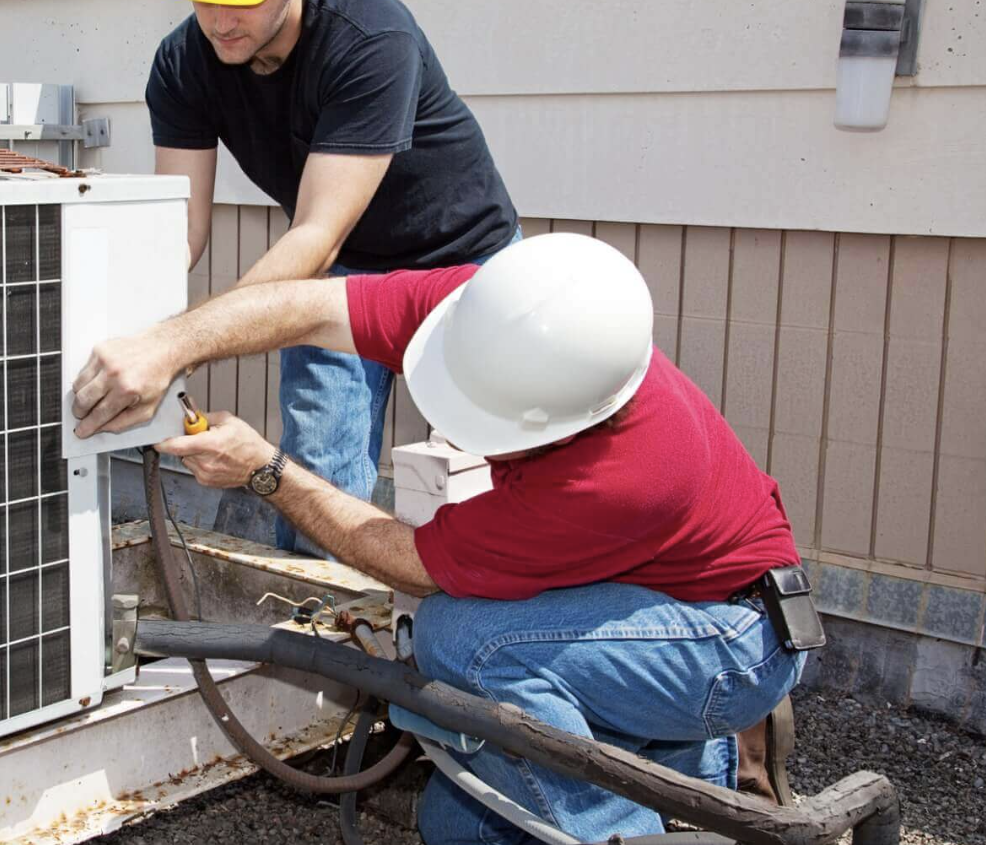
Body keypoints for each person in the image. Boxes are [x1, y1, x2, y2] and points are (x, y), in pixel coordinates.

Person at [71, 233, 809, 845]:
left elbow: (415, 564)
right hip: (650, 600)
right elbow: (305, 305)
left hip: (729, 644)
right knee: (459, 826)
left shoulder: (619, 476)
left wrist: (266, 471)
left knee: (466, 640)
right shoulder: (499, 309)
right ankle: (673, 772)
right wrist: (167, 346)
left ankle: (634, 827)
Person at [148, 0, 519, 555]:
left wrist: (177, 346)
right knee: (316, 470)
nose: (221, 17)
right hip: (343, 272)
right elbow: (181, 230)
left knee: (500, 466)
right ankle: (327, 643)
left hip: (465, 267)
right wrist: (133, 330)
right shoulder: (183, 63)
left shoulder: (369, 36)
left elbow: (315, 231)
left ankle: (483, 637)